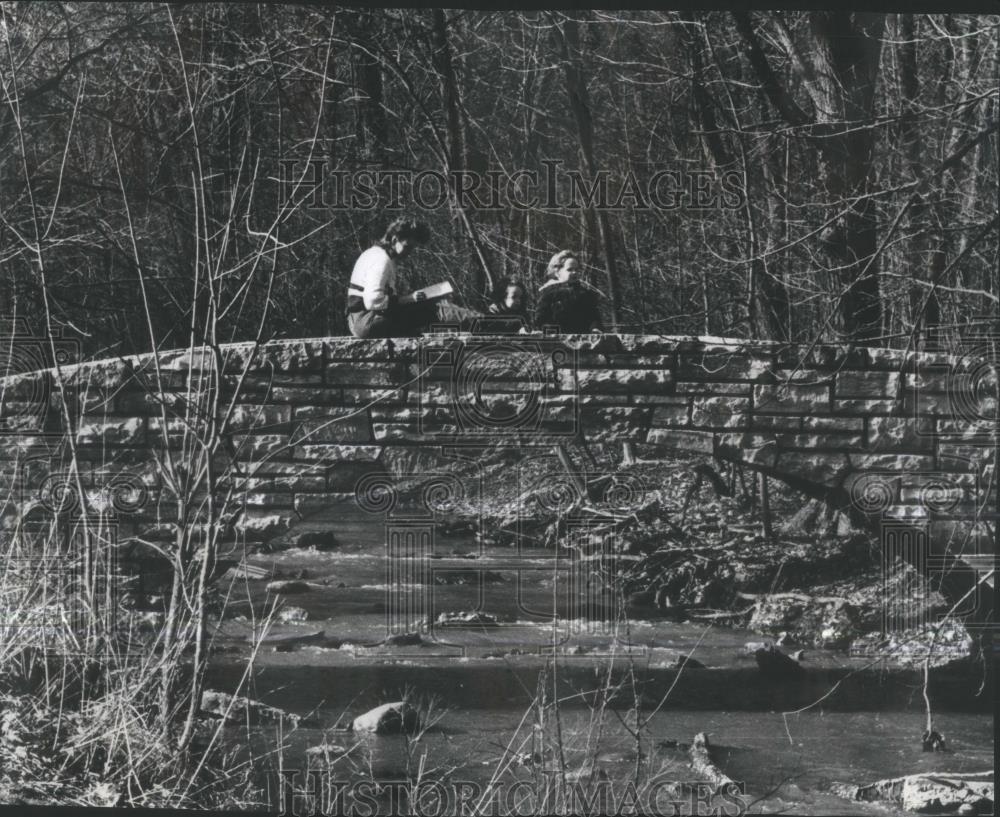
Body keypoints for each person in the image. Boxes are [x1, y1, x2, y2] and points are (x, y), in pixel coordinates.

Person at [346, 218, 482, 338]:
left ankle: (481, 321)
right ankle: (485, 322)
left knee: (432, 307)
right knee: (435, 309)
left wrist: (411, 298)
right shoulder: (382, 259)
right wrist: (408, 299)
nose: (409, 252)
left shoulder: (376, 254)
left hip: (360, 321)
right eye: (407, 246)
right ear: (394, 240)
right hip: (366, 322)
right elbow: (373, 301)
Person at [534, 250, 605, 333]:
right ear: (558, 272)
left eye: (577, 269)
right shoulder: (548, 292)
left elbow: (593, 316)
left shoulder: (585, 294)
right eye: (570, 270)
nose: (574, 272)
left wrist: (595, 328)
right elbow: (540, 318)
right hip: (556, 338)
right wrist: (547, 330)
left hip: (582, 338)